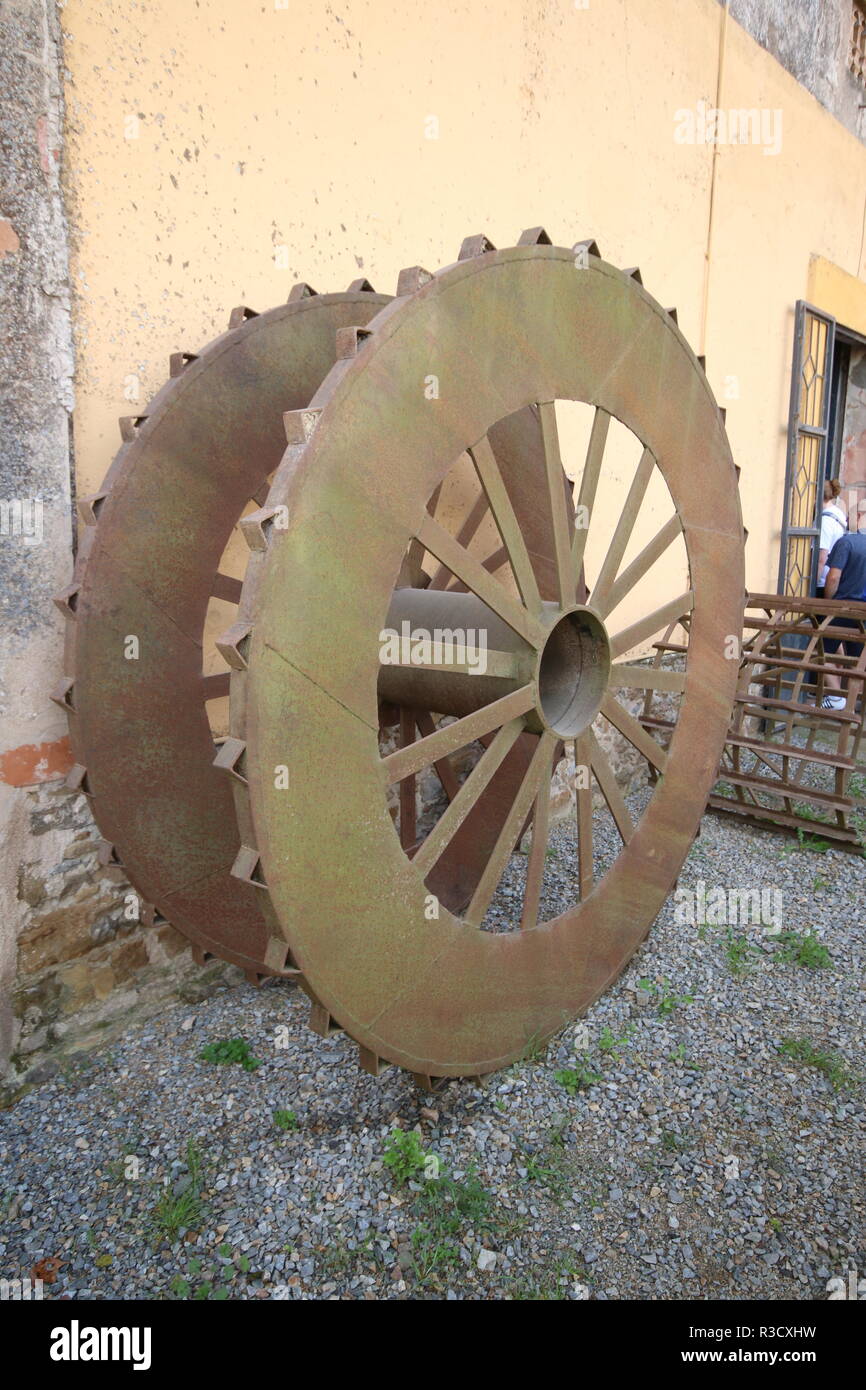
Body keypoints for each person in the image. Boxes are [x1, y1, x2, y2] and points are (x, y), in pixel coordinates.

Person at [821, 528, 866, 709]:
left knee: (821, 651)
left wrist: (829, 603)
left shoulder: (847, 542)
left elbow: (833, 578)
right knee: (859, 660)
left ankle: (836, 697)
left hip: (843, 607)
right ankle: (853, 704)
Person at [816, 478, 847, 597]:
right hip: (830, 578)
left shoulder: (825, 522)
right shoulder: (838, 514)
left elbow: (821, 558)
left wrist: (810, 586)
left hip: (821, 581)